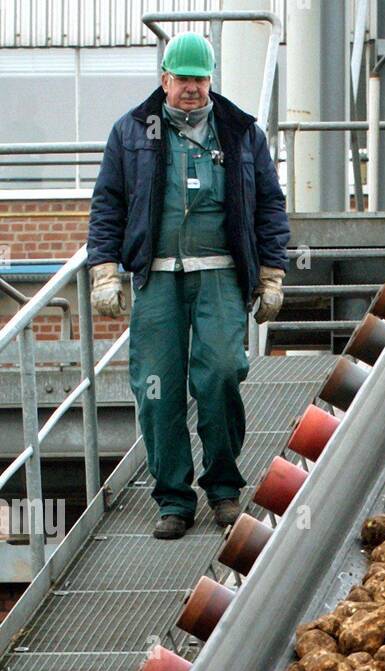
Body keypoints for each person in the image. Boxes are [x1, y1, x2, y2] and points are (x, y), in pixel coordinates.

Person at [87, 32, 290, 539]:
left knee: (221, 375)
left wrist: (271, 273)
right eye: (183, 80)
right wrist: (105, 270)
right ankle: (173, 498)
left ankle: (223, 488)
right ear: (165, 81)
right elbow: (108, 204)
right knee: (157, 390)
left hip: (221, 275)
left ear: (210, 80)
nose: (192, 90)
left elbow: (269, 205)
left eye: (200, 79)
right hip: (156, 279)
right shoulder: (133, 131)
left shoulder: (241, 132)